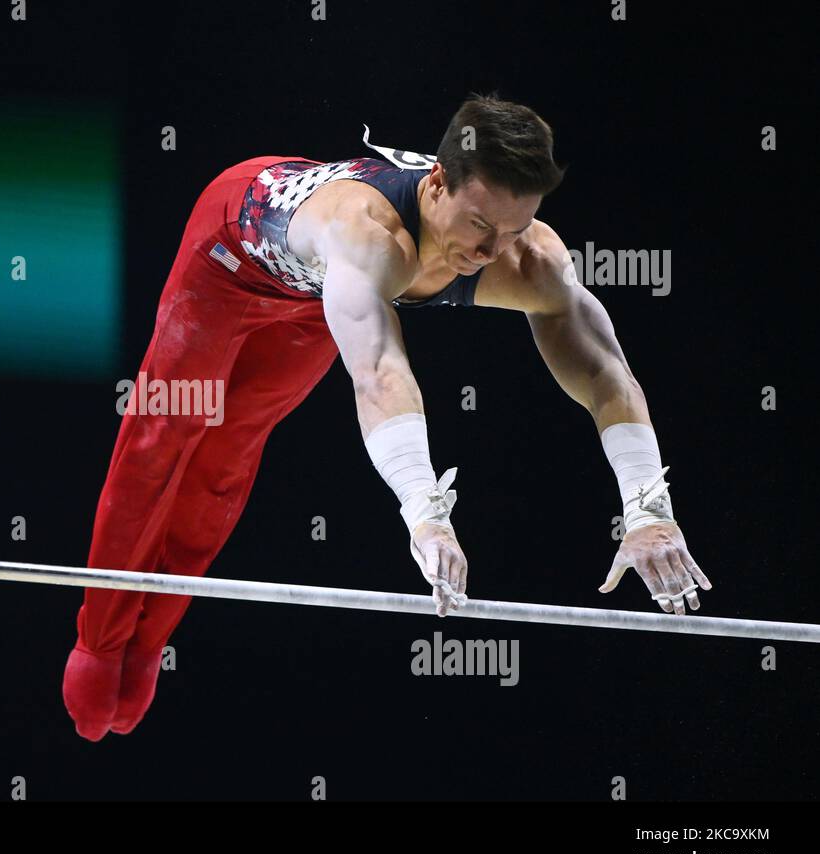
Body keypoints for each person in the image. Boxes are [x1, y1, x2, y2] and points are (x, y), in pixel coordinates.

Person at [63, 93, 712, 741]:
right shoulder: (366, 234)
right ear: (436, 180)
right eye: (480, 224)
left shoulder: (528, 260)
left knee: (226, 461)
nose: (490, 252)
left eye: (513, 231)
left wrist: (648, 510)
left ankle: (150, 642)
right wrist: (424, 512)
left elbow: (606, 375)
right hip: (229, 259)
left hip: (314, 300)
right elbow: (378, 371)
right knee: (164, 439)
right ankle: (100, 640)